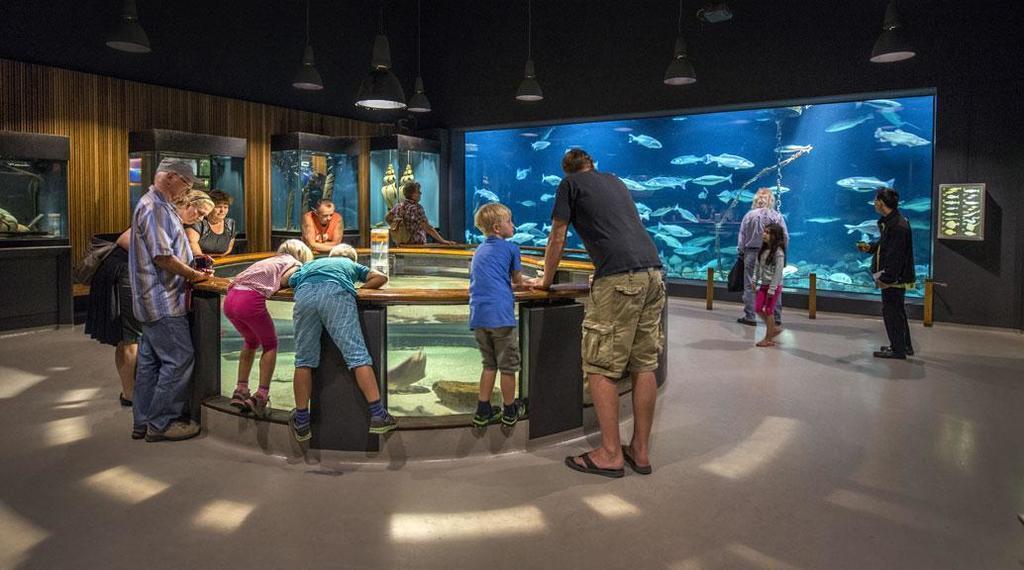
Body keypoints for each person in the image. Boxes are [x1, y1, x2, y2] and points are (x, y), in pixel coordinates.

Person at [533, 148, 665, 478]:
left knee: (599, 363)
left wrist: (545, 280)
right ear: (594, 165)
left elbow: (558, 234)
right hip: (653, 272)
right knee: (644, 363)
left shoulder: (570, 185)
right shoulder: (615, 181)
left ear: (567, 171)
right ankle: (640, 450)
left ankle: (609, 453)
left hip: (620, 279)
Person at [129, 160, 214, 443]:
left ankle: (142, 422)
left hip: (150, 301)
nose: (185, 192)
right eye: (186, 185)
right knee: (179, 358)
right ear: (172, 177)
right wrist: (194, 276)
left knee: (150, 362)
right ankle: (160, 424)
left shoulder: (155, 205)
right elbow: (162, 257)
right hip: (162, 301)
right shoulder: (154, 207)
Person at [287, 243, 395, 441]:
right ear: (352, 259)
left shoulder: (312, 264)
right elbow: (380, 277)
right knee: (356, 355)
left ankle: (302, 421)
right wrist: (357, 289)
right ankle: (378, 414)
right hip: (335, 294)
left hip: (304, 295)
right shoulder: (349, 264)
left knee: (303, 359)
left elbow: (289, 280)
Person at [223, 239, 313, 416]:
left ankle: (240, 390)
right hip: (249, 301)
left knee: (251, 341)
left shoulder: (270, 260)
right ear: (302, 255)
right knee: (270, 344)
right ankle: (261, 395)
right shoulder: (293, 263)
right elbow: (290, 278)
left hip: (230, 298)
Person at [468, 203, 528, 428]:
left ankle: (482, 410)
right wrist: (534, 282)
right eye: (510, 221)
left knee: (489, 364)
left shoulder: (478, 250)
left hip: (479, 317)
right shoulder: (511, 248)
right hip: (501, 316)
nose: (513, 225)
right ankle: (510, 410)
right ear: (497, 228)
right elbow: (518, 281)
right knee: (508, 367)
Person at [84, 229, 141, 407]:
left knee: (127, 338)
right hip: (124, 274)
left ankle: (130, 390)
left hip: (123, 272)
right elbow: (124, 240)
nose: (199, 217)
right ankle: (130, 394)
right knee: (129, 338)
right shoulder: (155, 211)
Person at [858, 187, 916, 359]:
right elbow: (885, 245)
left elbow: (895, 256)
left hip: (894, 278)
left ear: (881, 203)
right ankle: (903, 346)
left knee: (891, 312)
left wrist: (886, 279)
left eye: (875, 200)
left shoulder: (897, 226)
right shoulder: (891, 221)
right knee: (897, 311)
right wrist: (870, 248)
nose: (874, 203)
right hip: (894, 276)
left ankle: (897, 351)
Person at [737, 188, 789, 327]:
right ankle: (776, 317)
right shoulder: (777, 216)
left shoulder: (749, 215)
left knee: (750, 285)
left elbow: (742, 237)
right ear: (771, 201)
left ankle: (750, 316)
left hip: (751, 253)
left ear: (756, 200)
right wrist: (782, 253)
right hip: (772, 253)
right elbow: (785, 236)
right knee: (775, 283)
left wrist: (741, 252)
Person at [385, 182, 455, 246]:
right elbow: (427, 227)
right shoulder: (417, 208)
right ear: (412, 194)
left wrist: (396, 228)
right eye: (418, 192)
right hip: (416, 245)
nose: (420, 194)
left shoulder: (398, 206)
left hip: (401, 245)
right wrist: (442, 241)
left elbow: (387, 218)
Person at [752, 224, 787, 348]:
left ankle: (768, 339)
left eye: (768, 232)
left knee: (769, 310)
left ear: (775, 236)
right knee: (757, 308)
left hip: (774, 286)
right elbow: (757, 266)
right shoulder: (763, 249)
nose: (764, 234)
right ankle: (773, 328)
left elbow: (778, 273)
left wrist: (772, 289)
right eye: (764, 232)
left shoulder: (778, 253)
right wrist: (755, 280)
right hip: (763, 285)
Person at [186, 189, 236, 257]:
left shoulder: (230, 223)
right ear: (210, 207)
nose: (222, 210)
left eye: (225, 207)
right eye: (218, 207)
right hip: (199, 263)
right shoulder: (198, 222)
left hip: (221, 263)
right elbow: (194, 250)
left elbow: (228, 249)